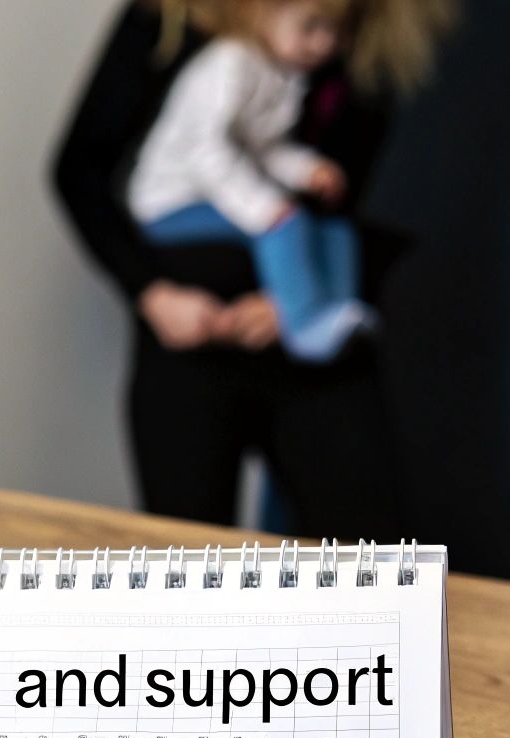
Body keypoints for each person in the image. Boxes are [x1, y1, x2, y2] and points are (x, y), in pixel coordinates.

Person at [50, 0, 449, 537]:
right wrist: (152, 293)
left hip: (316, 345)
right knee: (190, 574)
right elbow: (81, 172)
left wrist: (295, 301)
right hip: (191, 340)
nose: (320, 42)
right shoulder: (175, 23)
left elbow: (345, 198)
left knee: (372, 567)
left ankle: (311, 315)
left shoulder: (366, 35)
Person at [127, 0, 451, 363]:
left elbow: (264, 148)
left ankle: (338, 312)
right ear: (260, 11)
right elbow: (206, 152)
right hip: (172, 203)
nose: (325, 44)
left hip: (219, 195)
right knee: (286, 223)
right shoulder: (230, 64)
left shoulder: (284, 75)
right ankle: (306, 325)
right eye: (311, 27)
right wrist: (262, 207)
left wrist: (306, 169)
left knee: (334, 232)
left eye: (337, 31)